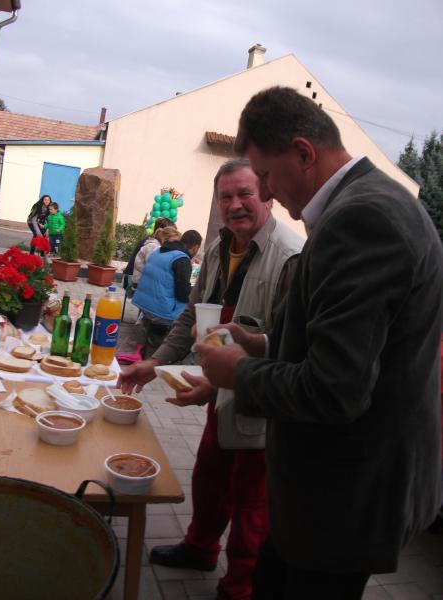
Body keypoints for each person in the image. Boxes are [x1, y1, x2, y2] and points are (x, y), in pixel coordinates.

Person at [195, 87, 443, 600]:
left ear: (304, 153)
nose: (265, 192)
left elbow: (336, 389)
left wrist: (237, 373)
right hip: (324, 494)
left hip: (343, 499)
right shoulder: (364, 203)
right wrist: (261, 345)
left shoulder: (363, 218)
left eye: (265, 176)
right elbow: (349, 343)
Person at [119, 158, 304, 600]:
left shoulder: (291, 258)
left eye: (245, 194)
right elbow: (192, 315)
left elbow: (290, 350)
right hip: (220, 395)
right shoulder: (221, 247)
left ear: (267, 196)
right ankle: (200, 549)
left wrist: (221, 383)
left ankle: (239, 588)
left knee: (251, 505)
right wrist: (155, 362)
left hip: (261, 407)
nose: (235, 204)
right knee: (208, 478)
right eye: (226, 196)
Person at [132, 229, 202, 358]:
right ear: (195, 248)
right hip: (162, 313)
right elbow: (182, 295)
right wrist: (195, 290)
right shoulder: (182, 260)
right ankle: (177, 357)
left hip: (145, 307)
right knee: (193, 315)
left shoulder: (159, 251)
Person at [123, 216, 176, 282]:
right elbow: (152, 266)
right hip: (133, 278)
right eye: (170, 235)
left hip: (133, 277)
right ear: (162, 232)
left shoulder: (150, 241)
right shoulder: (152, 245)